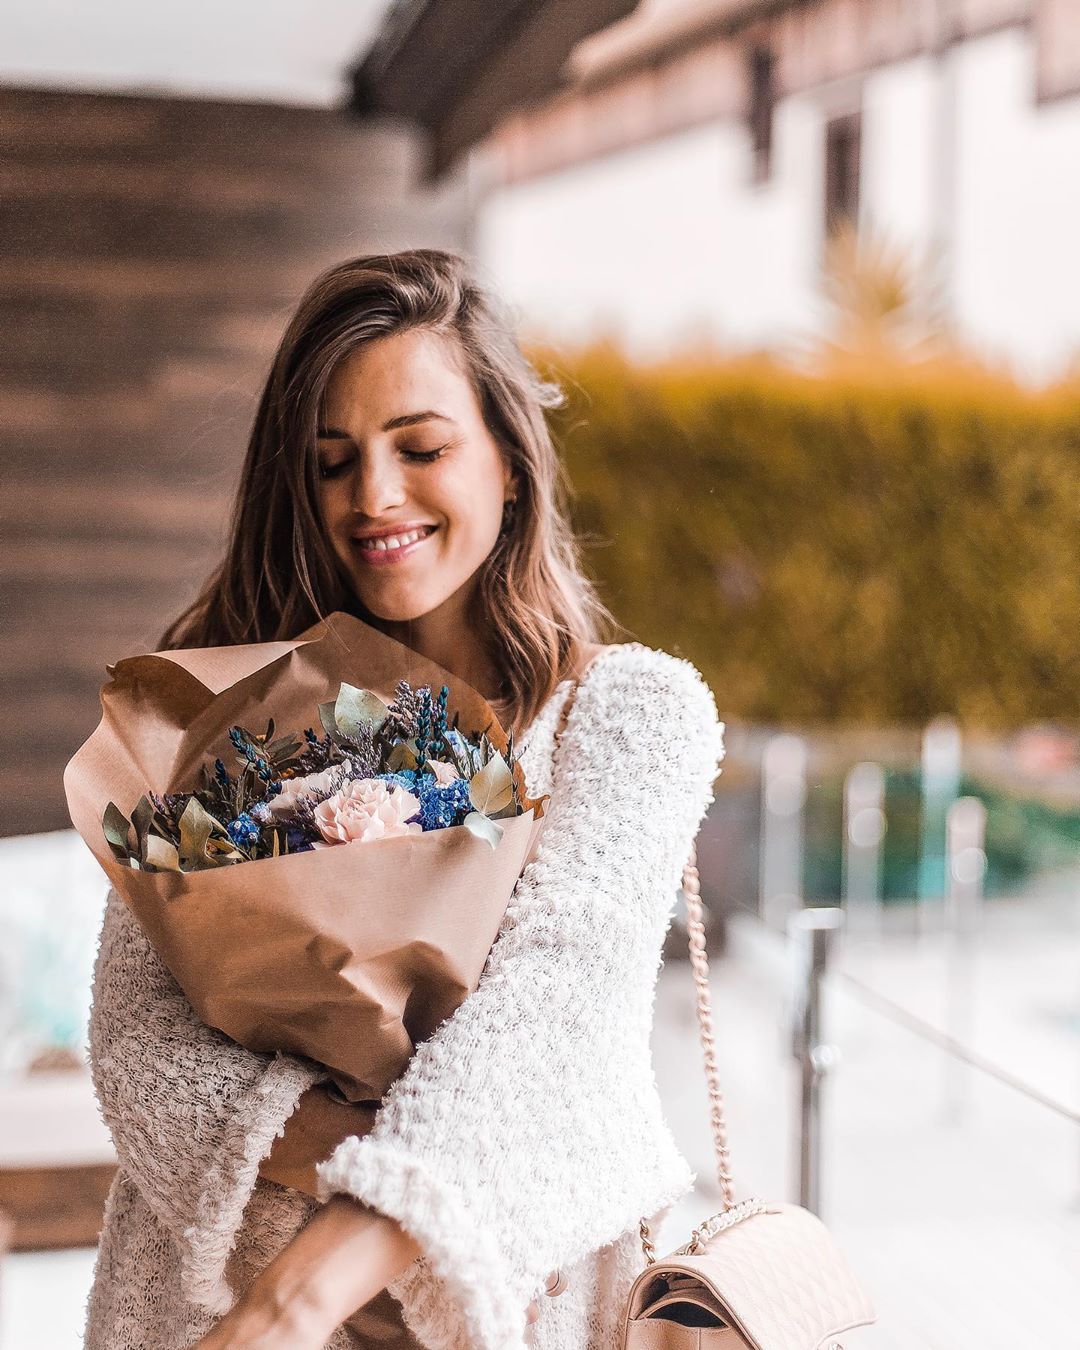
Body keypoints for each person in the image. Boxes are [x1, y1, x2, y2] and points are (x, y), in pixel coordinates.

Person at [83, 248, 726, 1350]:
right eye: (332, 462)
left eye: (420, 447)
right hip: (203, 1303)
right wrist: (404, 1159)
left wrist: (297, 1298)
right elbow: (136, 1044)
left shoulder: (628, 717)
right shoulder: (223, 710)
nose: (374, 498)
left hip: (480, 1309)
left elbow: (549, 1030)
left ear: (510, 463)